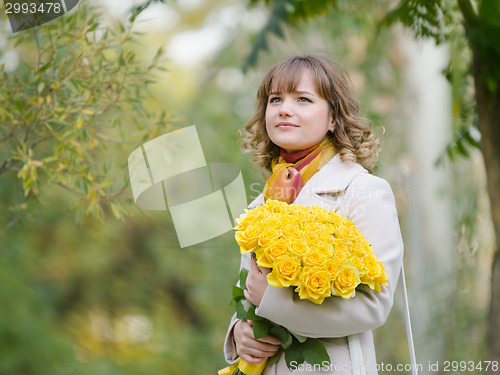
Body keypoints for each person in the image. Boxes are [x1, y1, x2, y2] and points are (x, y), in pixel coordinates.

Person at [223, 55, 404, 374]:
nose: (284, 109)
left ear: (334, 117)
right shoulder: (262, 204)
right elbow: (251, 290)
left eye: (303, 99)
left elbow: (374, 306)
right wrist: (239, 332)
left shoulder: (363, 190)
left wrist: (276, 304)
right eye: (275, 99)